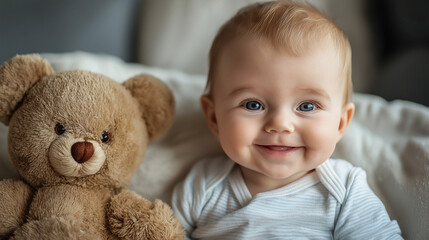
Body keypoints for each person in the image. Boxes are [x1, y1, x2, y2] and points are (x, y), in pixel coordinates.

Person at [172, 1, 403, 239]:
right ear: (214, 117)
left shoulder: (344, 191)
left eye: (307, 106)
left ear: (341, 123)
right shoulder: (202, 185)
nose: (280, 123)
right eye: (253, 104)